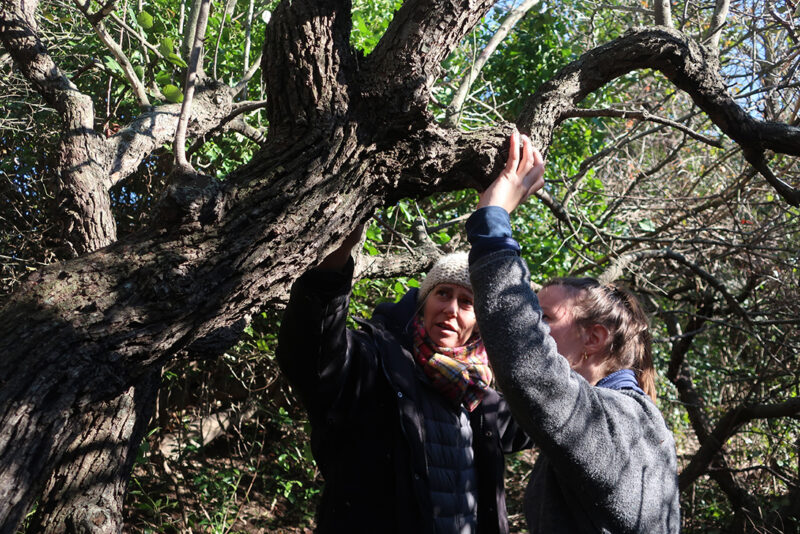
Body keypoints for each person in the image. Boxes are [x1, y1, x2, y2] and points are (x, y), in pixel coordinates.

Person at [465, 131, 681, 533]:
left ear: (594, 339)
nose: (536, 328)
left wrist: (493, 221)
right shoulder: (621, 421)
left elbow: (528, 368)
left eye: (544, 318)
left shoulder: (622, 423)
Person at [276, 229, 531, 534]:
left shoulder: (480, 395)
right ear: (423, 303)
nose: (451, 309)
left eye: (466, 302)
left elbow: (543, 419)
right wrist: (331, 267)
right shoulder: (375, 359)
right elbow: (312, 356)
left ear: (480, 322)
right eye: (443, 293)